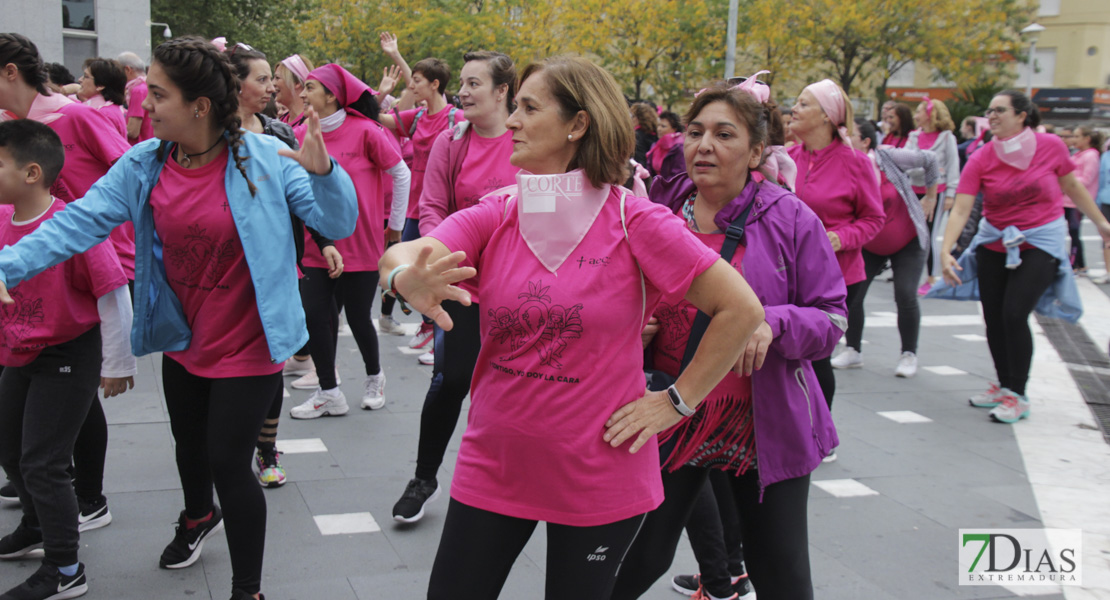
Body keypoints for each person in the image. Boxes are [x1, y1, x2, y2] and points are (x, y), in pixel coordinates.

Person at [380, 56, 764, 600]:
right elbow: (409, 249)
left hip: (598, 473)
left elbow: (741, 309)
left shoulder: (638, 220)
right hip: (495, 465)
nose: (511, 121)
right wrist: (402, 274)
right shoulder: (501, 210)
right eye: (513, 108)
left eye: (529, 108)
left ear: (578, 124)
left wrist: (676, 402)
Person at [0, 36, 357, 600]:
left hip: (252, 343)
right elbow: (80, 222)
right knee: (188, 447)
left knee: (227, 463)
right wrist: (7, 265)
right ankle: (196, 517)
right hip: (184, 337)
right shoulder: (145, 163)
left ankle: (248, 590)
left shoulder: (267, 158)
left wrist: (325, 172)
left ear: (199, 106)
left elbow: (335, 221)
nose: (144, 103)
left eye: (158, 95)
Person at [611, 78, 844, 600]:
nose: (704, 146)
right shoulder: (666, 219)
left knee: (780, 571)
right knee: (636, 558)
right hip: (674, 410)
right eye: (695, 133)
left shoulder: (790, 218)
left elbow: (833, 319)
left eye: (724, 134)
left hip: (763, 421)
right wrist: (641, 332)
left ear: (757, 151)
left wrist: (772, 322)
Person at [1, 32, 137, 536]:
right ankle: (47, 490)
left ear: (10, 72)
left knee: (78, 387)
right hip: (33, 268)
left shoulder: (75, 115)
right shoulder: (11, 130)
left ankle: (88, 496)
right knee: (49, 407)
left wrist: (105, 232)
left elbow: (129, 169)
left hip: (92, 258)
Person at [390, 50, 518, 523]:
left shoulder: (529, 140)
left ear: (503, 91)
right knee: (450, 380)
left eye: (473, 83)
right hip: (462, 284)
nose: (462, 92)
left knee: (512, 387)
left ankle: (502, 482)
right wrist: (442, 251)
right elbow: (431, 207)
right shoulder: (452, 140)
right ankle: (424, 477)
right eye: (461, 83)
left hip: (518, 290)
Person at [932, 90, 1110, 423]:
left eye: (1000, 110)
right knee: (995, 318)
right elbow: (962, 207)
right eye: (991, 111)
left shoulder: (1051, 146)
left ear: (1022, 115)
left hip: (1040, 239)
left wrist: (1102, 224)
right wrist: (945, 251)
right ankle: (1004, 385)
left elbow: (1071, 186)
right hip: (994, 240)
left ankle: (1019, 393)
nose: (993, 116)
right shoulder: (983, 156)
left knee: (1015, 314)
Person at [225, 42, 341, 487]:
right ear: (233, 85)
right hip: (226, 271)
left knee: (272, 358)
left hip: (279, 267)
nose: (272, 86)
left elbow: (302, 195)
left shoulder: (279, 133)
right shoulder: (212, 134)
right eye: (261, 78)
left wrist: (325, 241)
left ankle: (266, 449)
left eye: (271, 78)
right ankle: (225, 445)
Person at [287, 63, 409, 418]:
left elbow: (400, 174)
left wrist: (395, 227)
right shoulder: (300, 135)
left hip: (361, 244)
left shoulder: (367, 131)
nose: (303, 93)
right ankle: (329, 391)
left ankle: (375, 377)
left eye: (309, 87)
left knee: (358, 316)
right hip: (316, 245)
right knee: (315, 316)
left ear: (332, 95)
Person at [787, 79, 883, 453]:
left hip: (838, 278)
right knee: (790, 356)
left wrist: (838, 238)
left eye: (803, 103)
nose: (793, 108)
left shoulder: (856, 162)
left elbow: (874, 219)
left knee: (816, 357)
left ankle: (820, 437)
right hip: (789, 275)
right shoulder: (786, 158)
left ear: (827, 116)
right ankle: (794, 428)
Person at [377, 33, 463, 357]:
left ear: (435, 84)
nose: (412, 85)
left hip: (444, 206)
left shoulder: (457, 118)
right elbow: (378, 117)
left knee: (437, 269)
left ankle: (435, 333)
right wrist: (381, 92)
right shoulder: (415, 118)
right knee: (406, 266)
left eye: (417, 80)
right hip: (414, 204)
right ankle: (420, 325)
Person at [840, 118, 938, 378]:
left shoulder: (886, 156)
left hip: (908, 240)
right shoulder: (844, 165)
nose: (844, 138)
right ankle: (853, 350)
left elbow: (930, 159)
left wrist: (931, 195)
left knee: (905, 294)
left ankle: (909, 354)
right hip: (870, 242)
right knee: (854, 296)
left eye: (851, 134)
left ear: (866, 141)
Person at [904, 97, 959, 296]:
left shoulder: (946, 138)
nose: (915, 116)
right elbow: (907, 162)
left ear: (930, 115)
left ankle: (931, 278)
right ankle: (910, 273)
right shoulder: (913, 136)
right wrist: (927, 167)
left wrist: (952, 194)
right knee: (912, 234)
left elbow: (953, 167)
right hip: (913, 191)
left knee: (929, 234)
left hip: (938, 193)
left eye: (919, 111)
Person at [1061, 125, 1102, 275]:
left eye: (1077, 136)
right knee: (1066, 231)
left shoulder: (1091, 155)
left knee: (1074, 231)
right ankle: (1077, 263)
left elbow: (1086, 179)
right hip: (1066, 199)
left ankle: (1076, 264)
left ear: (1087, 139)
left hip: (1077, 201)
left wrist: (1067, 182)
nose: (1073, 139)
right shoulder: (1077, 154)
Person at [76, 58, 128, 137]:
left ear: (100, 85)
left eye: (86, 76)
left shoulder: (103, 113)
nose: (80, 80)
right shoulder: (108, 109)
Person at [117, 51, 153, 144]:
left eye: (117, 71)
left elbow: (133, 131)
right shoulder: (149, 86)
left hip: (140, 149)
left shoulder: (137, 91)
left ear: (127, 70)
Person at [274, 54, 313, 127]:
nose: (273, 83)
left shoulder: (312, 123)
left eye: (277, 78)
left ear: (297, 83)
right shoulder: (280, 121)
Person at [646, 110, 684, 178]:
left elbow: (679, 175)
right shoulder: (656, 146)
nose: (659, 129)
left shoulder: (679, 147)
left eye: (663, 126)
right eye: (658, 126)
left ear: (674, 129)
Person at [1095, 136, 1110, 284]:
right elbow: (1101, 179)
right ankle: (1108, 271)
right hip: (1106, 200)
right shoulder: (1106, 156)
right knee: (1107, 238)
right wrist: (1097, 202)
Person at [631, 101, 658, 166]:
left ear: (639, 118)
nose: (631, 119)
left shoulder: (637, 135)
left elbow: (639, 159)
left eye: (633, 116)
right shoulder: (655, 134)